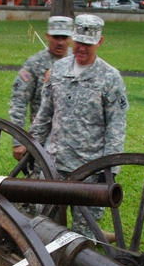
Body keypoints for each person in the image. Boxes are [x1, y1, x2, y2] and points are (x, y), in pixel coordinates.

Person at [30, 14, 128, 234]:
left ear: (100, 42)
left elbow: (116, 127)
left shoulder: (110, 78)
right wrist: (32, 147)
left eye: (88, 44)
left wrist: (110, 168)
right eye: (79, 42)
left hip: (89, 168)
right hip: (53, 162)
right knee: (46, 228)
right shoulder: (58, 70)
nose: (81, 48)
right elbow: (44, 114)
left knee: (83, 234)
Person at [8, 15, 73, 161]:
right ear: (48, 36)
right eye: (56, 37)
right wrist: (18, 141)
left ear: (70, 38)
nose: (60, 42)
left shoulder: (78, 62)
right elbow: (19, 101)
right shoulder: (34, 64)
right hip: (42, 138)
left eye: (64, 37)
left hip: (73, 138)